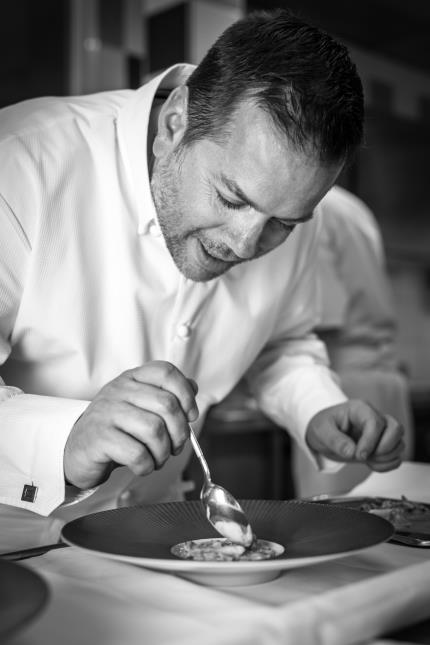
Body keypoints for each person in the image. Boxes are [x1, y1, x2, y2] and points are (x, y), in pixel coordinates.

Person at [0, 9, 404, 549]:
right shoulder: (20, 163)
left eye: (281, 225)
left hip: (157, 541)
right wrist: (64, 438)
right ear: (175, 124)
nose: (243, 245)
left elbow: (282, 342)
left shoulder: (291, 206)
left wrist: (315, 408)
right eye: (230, 198)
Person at [292, 185, 414, 497]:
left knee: (338, 524)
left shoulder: (310, 208)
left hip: (343, 391)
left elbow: (322, 320)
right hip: (385, 383)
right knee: (395, 523)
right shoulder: (350, 206)